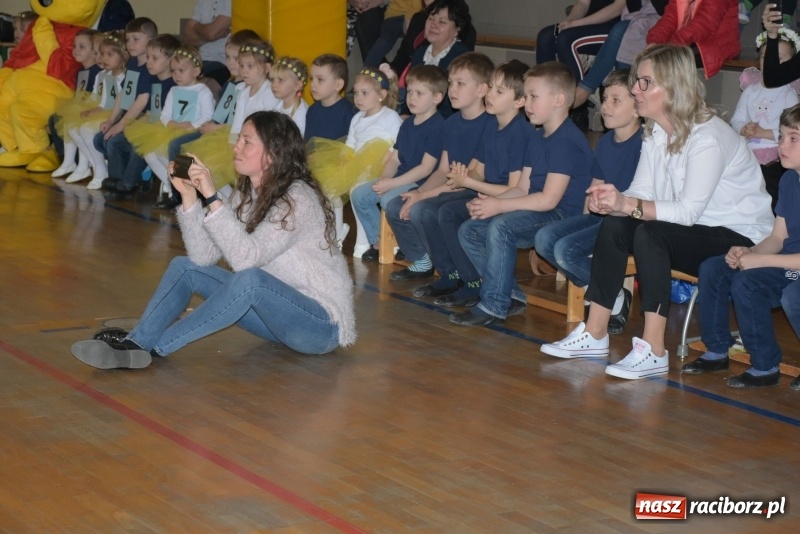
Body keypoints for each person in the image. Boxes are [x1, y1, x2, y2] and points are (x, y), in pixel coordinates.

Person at [540, 44, 775, 381]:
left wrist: (629, 204)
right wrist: (613, 200)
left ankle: (655, 349)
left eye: (645, 82)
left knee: (650, 232)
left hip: (741, 237)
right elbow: (643, 193)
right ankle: (594, 333)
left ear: (674, 86)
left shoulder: (707, 136)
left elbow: (688, 212)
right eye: (638, 81)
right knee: (619, 221)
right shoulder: (655, 131)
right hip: (693, 230)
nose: (636, 88)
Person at [71, 111, 356, 370]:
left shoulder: (298, 198)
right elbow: (202, 256)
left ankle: (156, 347)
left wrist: (212, 197)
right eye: (239, 140)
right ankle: (137, 343)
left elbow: (247, 260)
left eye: (247, 142)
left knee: (250, 280)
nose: (237, 147)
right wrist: (190, 199)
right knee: (185, 267)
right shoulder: (248, 194)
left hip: (320, 326)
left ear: (272, 154)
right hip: (276, 320)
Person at [451, 62, 594, 327]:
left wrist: (500, 208)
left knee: (502, 226)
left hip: (563, 215)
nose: (527, 103)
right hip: (539, 210)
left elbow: (550, 200)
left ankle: (494, 304)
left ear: (560, 99)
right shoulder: (538, 137)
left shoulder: (565, 141)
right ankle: (511, 295)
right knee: (470, 230)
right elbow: (523, 188)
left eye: (533, 97)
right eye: (526, 97)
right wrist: (492, 202)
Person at [683, 104, 800, 389]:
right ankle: (716, 350)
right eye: (781, 136)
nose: (782, 145)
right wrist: (750, 252)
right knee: (715, 267)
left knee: (760, 286)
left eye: (793, 138)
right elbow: (777, 237)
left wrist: (761, 262)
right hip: (788, 262)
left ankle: (764, 365)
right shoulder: (789, 180)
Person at [535, 69, 643, 335]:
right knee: (545, 239)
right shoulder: (606, 142)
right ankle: (612, 291)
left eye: (616, 100)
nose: (605, 106)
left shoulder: (644, 144)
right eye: (605, 99)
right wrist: (581, 219)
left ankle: (609, 296)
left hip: (625, 222)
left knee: (565, 251)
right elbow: (593, 187)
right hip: (599, 219)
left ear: (638, 108)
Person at [385, 52, 494, 299]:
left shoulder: (489, 124)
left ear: (481, 90)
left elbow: (474, 177)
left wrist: (424, 195)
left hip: (474, 188)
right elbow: (443, 170)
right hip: (453, 185)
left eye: (460, 84)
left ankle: (469, 278)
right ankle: (448, 273)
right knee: (400, 204)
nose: (452, 89)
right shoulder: (452, 123)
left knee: (427, 210)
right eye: (451, 83)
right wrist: (420, 193)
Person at [427, 60, 531, 309]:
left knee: (452, 215)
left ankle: (477, 283)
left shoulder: (520, 132)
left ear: (519, 101)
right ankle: (469, 280)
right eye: (491, 88)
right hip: (492, 196)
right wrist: (463, 175)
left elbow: (514, 190)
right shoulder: (493, 127)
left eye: (499, 91)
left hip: (511, 201)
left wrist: (469, 183)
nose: (490, 96)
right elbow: (479, 172)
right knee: (443, 211)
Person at [351, 65, 447, 269]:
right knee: (360, 195)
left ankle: (407, 244)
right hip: (401, 178)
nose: (411, 98)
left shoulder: (438, 127)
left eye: (419, 93)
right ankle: (380, 241)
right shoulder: (407, 124)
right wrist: (384, 179)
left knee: (388, 198)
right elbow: (395, 158)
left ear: (437, 98)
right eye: (410, 92)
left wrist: (392, 184)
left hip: (420, 182)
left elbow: (425, 169)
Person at [307, 67, 403, 251]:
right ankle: (336, 231)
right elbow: (350, 144)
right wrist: (344, 160)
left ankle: (366, 239)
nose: (358, 98)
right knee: (328, 190)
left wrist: (388, 157)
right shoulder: (357, 118)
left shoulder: (390, 116)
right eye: (356, 93)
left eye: (365, 93)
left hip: (382, 166)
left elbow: (400, 142)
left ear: (382, 94)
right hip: (357, 164)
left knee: (356, 191)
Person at [184, 39, 279, 196]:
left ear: (267, 67)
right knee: (212, 170)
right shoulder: (241, 89)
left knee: (250, 179)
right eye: (241, 65)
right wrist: (232, 146)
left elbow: (268, 127)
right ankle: (229, 204)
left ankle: (248, 205)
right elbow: (237, 123)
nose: (244, 71)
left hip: (262, 144)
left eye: (250, 66)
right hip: (241, 140)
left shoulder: (269, 92)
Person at [127, 46, 214, 210]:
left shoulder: (203, 91)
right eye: (174, 71)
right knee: (149, 153)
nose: (176, 75)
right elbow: (164, 114)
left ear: (196, 71)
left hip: (195, 132)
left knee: (172, 149)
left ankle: (182, 192)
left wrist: (191, 126)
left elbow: (207, 115)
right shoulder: (174, 90)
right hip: (174, 129)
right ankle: (171, 184)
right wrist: (173, 124)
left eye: (181, 70)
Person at [731, 28, 800, 213]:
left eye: (780, 58)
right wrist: (743, 128)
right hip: (748, 154)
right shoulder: (750, 90)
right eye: (765, 56)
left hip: (775, 157)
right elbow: (736, 119)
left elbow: (793, 130)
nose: (770, 62)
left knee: (769, 195)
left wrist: (763, 133)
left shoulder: (788, 93)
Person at [95, 17, 159, 197]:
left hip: (148, 118)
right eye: (128, 39)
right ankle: (119, 180)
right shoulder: (132, 63)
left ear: (151, 40)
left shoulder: (150, 66)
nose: (130, 44)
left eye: (136, 39)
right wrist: (111, 120)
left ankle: (127, 183)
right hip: (135, 117)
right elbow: (125, 94)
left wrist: (121, 124)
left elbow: (142, 99)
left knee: (116, 141)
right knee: (101, 139)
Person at [380, 0, 473, 117]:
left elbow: (452, 108)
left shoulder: (462, 60)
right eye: (430, 19)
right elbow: (411, 90)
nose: (433, 24)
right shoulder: (420, 52)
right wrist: (405, 114)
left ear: (457, 30)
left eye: (442, 22)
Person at [572, 0, 666, 108]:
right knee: (554, 37)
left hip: (656, 21)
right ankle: (585, 94)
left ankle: (588, 89)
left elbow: (666, 11)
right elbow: (634, 7)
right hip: (638, 20)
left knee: (622, 33)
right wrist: (570, 22)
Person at [66, 31, 128, 189]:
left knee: (86, 129)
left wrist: (101, 112)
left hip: (117, 115)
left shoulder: (126, 77)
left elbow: (121, 104)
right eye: (102, 54)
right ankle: (97, 166)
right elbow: (103, 101)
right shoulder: (104, 75)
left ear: (123, 56)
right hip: (104, 112)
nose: (103, 59)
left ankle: (100, 171)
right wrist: (93, 110)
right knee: (73, 127)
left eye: (109, 54)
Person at [51, 29, 103, 180]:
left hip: (95, 108)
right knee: (60, 118)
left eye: (82, 46)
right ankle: (69, 162)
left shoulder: (97, 72)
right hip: (82, 106)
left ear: (94, 51)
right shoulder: (81, 70)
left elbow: (96, 96)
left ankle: (82, 165)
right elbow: (79, 94)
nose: (75, 50)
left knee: (74, 121)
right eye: (75, 46)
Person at [536, 0, 625, 83]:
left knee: (566, 39)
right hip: (588, 24)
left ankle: (576, 93)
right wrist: (569, 21)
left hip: (615, 27)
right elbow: (582, 3)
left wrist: (576, 24)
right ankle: (547, 88)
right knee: (546, 36)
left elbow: (617, 8)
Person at [646, 0, 740, 79]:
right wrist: (654, 41)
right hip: (689, 41)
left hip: (717, 46)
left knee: (668, 60)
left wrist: (672, 45)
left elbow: (704, 24)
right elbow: (670, 18)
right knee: (652, 56)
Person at [305, 54, 356, 143]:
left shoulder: (350, 114)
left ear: (338, 85)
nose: (312, 84)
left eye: (320, 79)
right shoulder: (312, 110)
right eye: (311, 78)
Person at [182, 0, 232, 87]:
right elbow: (187, 37)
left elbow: (211, 33)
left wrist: (197, 27)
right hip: (200, 60)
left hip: (222, 62)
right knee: (175, 74)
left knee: (202, 84)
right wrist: (209, 34)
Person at [364, 0, 421, 68]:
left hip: (418, 15)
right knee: (384, 41)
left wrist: (409, 16)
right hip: (395, 14)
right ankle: (367, 69)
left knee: (414, 43)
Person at [269, 57, 309, 137]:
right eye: (272, 80)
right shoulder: (276, 107)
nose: (274, 84)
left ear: (297, 85)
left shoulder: (302, 112)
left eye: (280, 80)